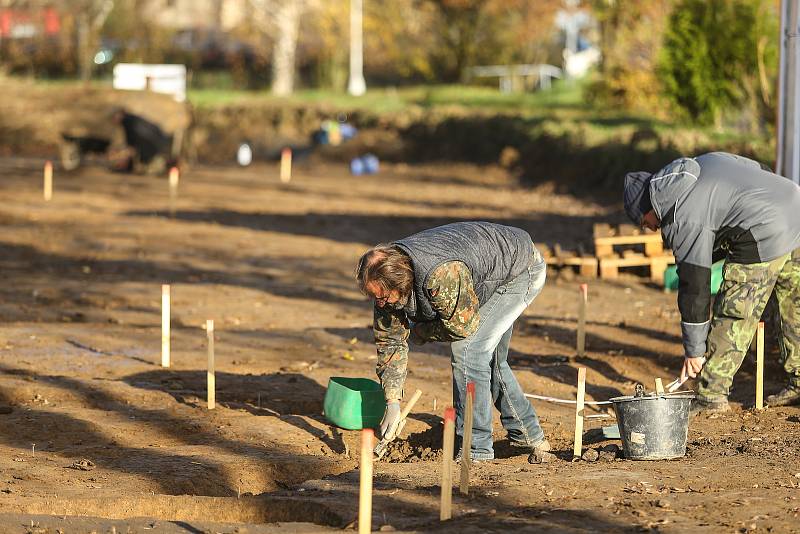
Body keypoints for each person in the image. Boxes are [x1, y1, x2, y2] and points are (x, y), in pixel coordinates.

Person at [355, 221, 553, 462]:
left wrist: (421, 332)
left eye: (383, 298)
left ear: (401, 283)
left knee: (469, 350)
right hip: (481, 274)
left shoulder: (440, 274)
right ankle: (528, 434)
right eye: (375, 298)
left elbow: (461, 327)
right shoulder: (385, 287)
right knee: (490, 359)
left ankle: (476, 450)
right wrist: (393, 401)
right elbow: (389, 342)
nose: (380, 304)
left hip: (518, 270)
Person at [623, 152, 800, 414]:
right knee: (794, 308)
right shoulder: (703, 163)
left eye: (642, 222)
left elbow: (695, 286)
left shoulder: (681, 216)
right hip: (794, 206)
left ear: (649, 209)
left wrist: (694, 351)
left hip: (763, 228)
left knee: (734, 313)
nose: (648, 229)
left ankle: (711, 394)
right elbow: (759, 168)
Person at [110, 108, 174, 174]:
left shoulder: (129, 122)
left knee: (147, 166)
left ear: (120, 114)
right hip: (156, 144)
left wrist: (128, 153)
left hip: (152, 146)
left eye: (114, 117)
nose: (113, 120)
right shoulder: (132, 120)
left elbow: (135, 141)